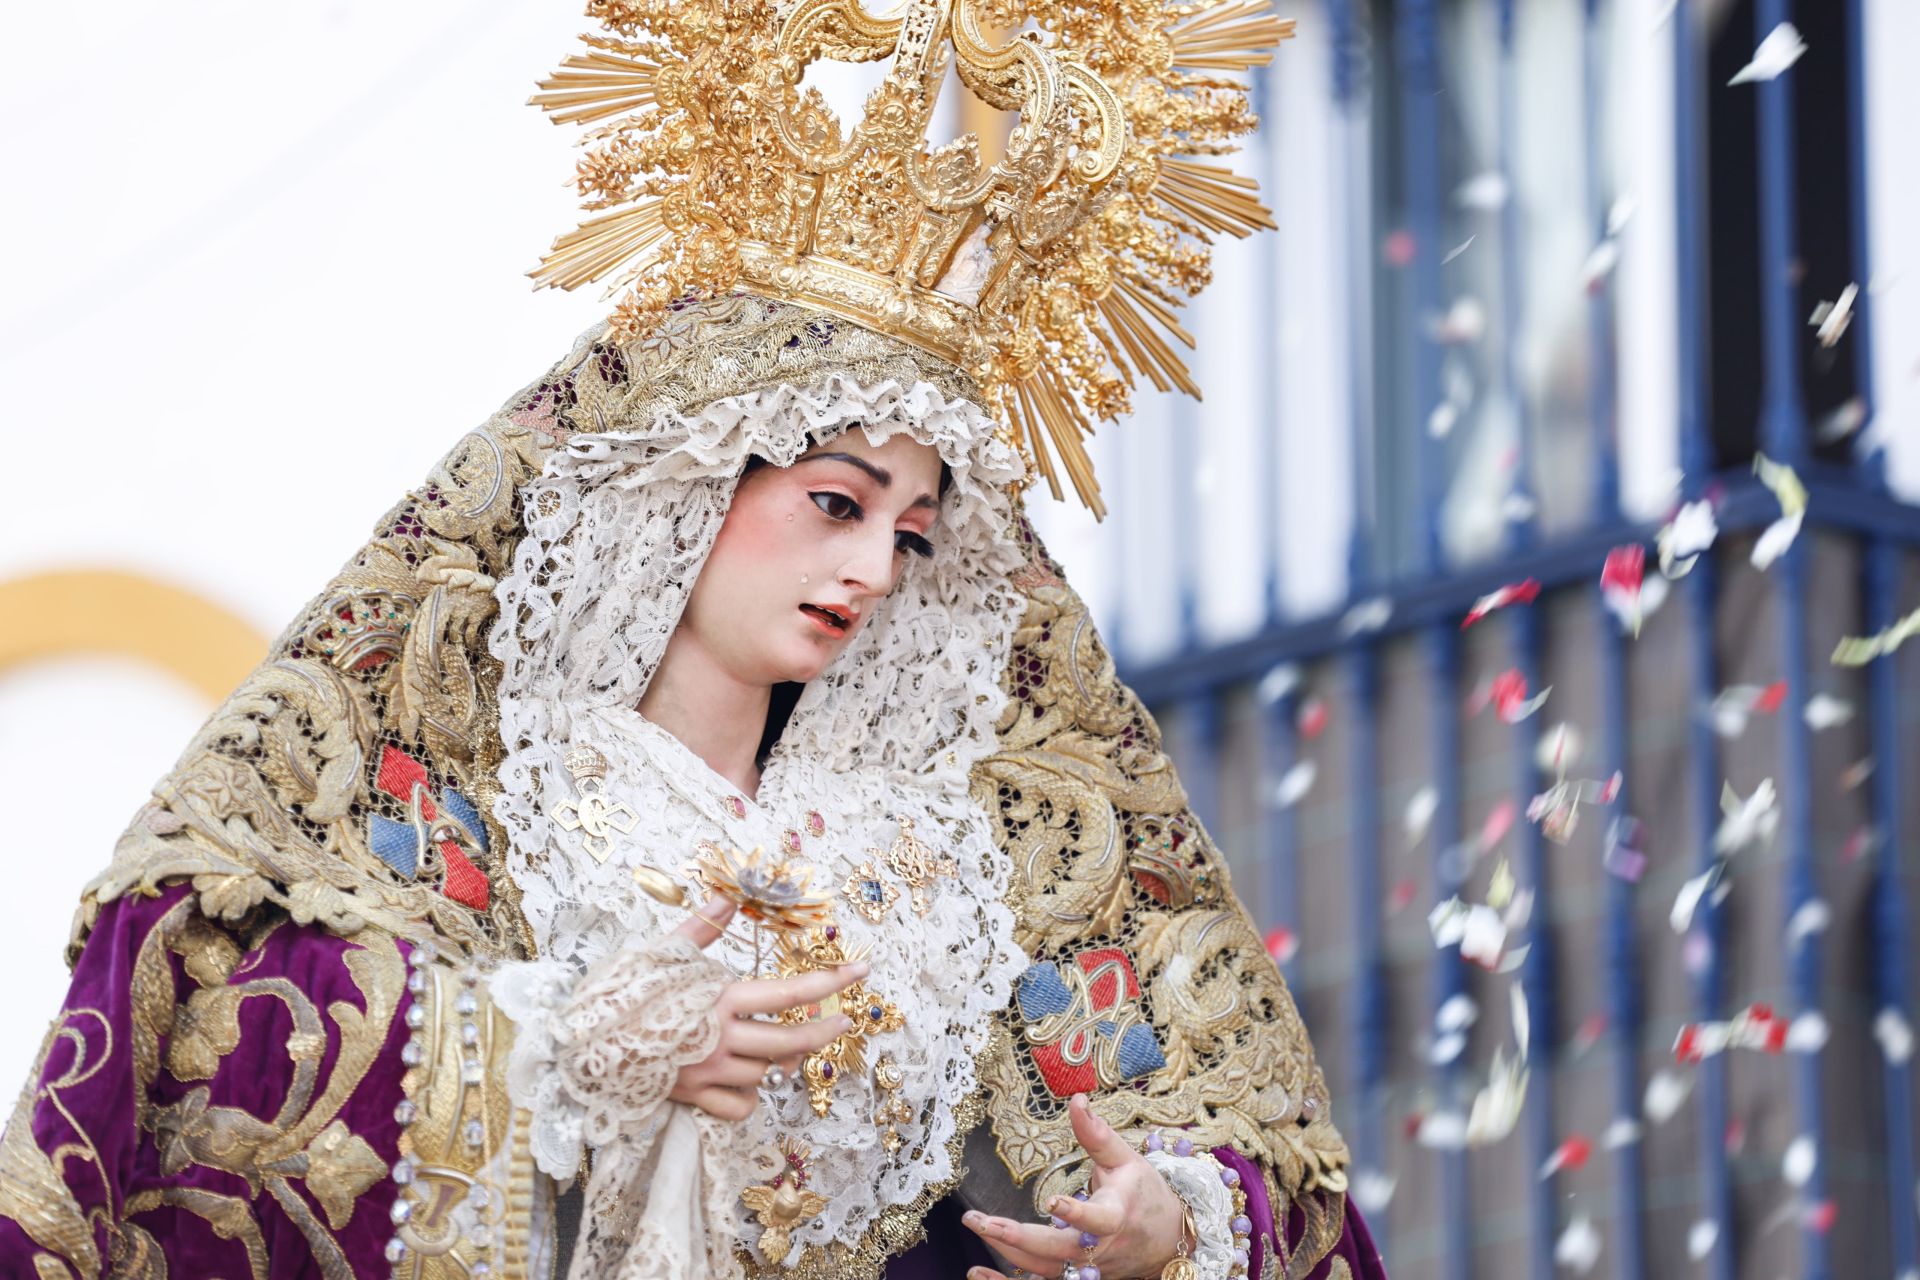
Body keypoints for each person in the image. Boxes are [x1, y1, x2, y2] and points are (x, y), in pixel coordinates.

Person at [0, 3, 1382, 1278]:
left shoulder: (956, 852)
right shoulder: (492, 797)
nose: (869, 571)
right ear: (685, 493)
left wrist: (1173, 1222)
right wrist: (576, 1049)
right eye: (833, 504)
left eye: (909, 535)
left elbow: (1234, 1127)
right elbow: (213, 1005)